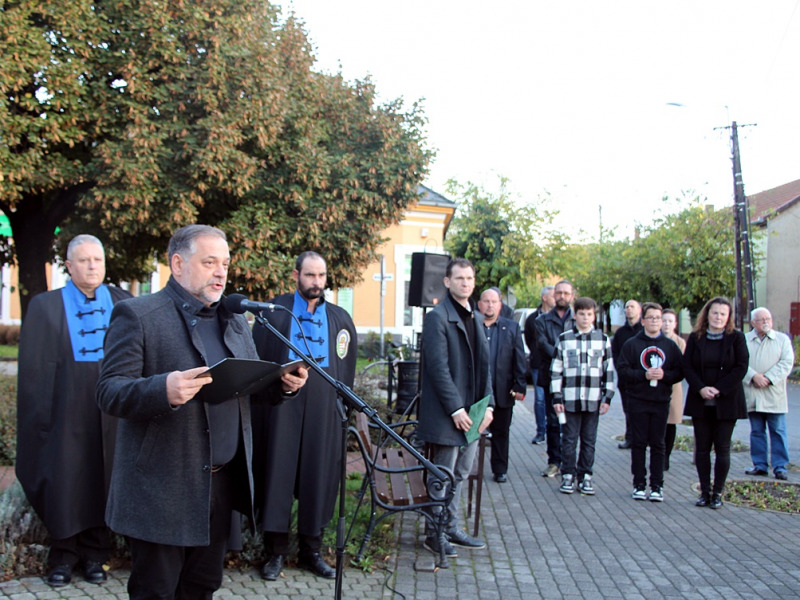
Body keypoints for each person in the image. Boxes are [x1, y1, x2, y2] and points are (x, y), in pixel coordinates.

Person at [96, 225, 307, 599]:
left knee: (202, 588)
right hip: (162, 490)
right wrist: (162, 389)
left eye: (225, 263)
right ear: (178, 264)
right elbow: (109, 392)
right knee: (156, 591)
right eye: (209, 262)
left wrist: (281, 385)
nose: (221, 272)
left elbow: (247, 386)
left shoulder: (235, 320)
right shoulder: (137, 315)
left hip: (221, 485)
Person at [16, 235, 132, 588]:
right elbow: (33, 371)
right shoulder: (45, 306)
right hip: (64, 413)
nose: (93, 266)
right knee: (65, 481)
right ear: (68, 266)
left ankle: (97, 556)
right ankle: (63, 557)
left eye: (98, 260)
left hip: (111, 414)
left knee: (104, 477)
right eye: (84, 260)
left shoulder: (124, 302)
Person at [251, 251, 357, 581]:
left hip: (323, 414)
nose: (316, 282)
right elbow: (258, 363)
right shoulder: (274, 313)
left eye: (321, 276)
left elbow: (347, 369)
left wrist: (341, 409)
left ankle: (311, 550)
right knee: (277, 477)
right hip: (281, 409)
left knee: (318, 477)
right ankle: (275, 553)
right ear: (296, 275)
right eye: (310, 275)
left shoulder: (340, 319)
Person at [417, 257, 493, 556]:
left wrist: (488, 406)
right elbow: (438, 368)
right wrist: (455, 409)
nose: (465, 283)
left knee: (461, 473)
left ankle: (449, 526)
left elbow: (485, 366)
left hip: (474, 412)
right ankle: (433, 533)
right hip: (450, 414)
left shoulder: (473, 315)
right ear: (447, 282)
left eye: (469, 279)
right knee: (442, 474)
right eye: (459, 278)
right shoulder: (438, 316)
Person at [682, 297, 748, 509]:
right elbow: (687, 366)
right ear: (707, 314)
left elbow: (741, 366)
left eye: (723, 314)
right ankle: (704, 492)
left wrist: (719, 389)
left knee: (722, 448)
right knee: (702, 449)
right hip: (700, 400)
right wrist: (701, 388)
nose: (718, 317)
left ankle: (718, 492)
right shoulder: (695, 337)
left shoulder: (736, 338)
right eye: (715, 313)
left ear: (728, 317)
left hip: (727, 400)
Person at [616, 303, 683, 502]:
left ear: (662, 321)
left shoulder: (670, 346)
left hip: (660, 401)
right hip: (637, 400)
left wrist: (665, 375)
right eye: (650, 317)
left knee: (658, 444)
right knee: (638, 444)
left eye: (658, 318)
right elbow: (623, 370)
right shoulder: (631, 344)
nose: (654, 321)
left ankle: (657, 486)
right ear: (643, 320)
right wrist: (642, 375)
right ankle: (638, 484)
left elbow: (680, 371)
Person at [551, 297, 615, 495]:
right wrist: (557, 397)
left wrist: (608, 397)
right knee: (569, 439)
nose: (585, 318)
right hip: (570, 399)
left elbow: (608, 370)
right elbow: (556, 371)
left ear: (594, 316)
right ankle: (568, 475)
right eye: (581, 314)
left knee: (589, 440)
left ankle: (586, 475)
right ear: (575, 315)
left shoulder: (602, 340)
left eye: (589, 314)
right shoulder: (564, 339)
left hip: (593, 400)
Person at [477, 288, 527, 483]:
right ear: (479, 304)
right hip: (477, 391)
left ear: (500, 305)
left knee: (501, 432)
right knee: (473, 431)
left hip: (503, 390)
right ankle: (468, 469)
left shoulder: (511, 328)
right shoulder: (473, 326)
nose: (490, 305)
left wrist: (519, 385)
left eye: (494, 301)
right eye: (486, 301)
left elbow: (519, 358)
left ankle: (499, 469)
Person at [743, 307, 794, 480]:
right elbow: (739, 362)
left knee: (778, 430)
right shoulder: (745, 340)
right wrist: (753, 376)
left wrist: (768, 378)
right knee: (757, 431)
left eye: (768, 319)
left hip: (774, 394)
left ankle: (780, 467)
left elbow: (787, 363)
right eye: (761, 319)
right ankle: (760, 465)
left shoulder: (782, 339)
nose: (765, 322)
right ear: (752, 323)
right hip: (753, 392)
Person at [535, 279, 576, 478]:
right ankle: (554, 461)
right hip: (551, 377)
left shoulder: (578, 320)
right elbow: (542, 344)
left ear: (572, 296)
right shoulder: (541, 320)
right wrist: (563, 358)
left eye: (566, 293)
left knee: (573, 422)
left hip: (575, 380)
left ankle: (571, 463)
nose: (562, 296)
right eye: (558, 293)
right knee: (552, 422)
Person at [524, 285, 555, 444]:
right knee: (540, 399)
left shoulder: (560, 318)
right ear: (544, 298)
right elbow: (530, 340)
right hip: (538, 364)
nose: (556, 298)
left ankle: (555, 432)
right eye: (552, 295)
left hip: (557, 365)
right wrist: (538, 354)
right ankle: (541, 431)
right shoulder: (533, 319)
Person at [611, 299, 643, 449]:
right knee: (628, 409)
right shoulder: (620, 333)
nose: (629, 309)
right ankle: (630, 437)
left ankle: (642, 438)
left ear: (639, 310)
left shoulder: (643, 331)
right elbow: (615, 353)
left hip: (642, 379)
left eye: (632, 307)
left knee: (641, 410)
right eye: (627, 307)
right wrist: (622, 369)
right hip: (625, 379)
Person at [660, 308, 686, 470]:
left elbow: (681, 365)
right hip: (655, 387)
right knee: (658, 424)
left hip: (673, 387)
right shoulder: (656, 339)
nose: (667, 324)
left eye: (670, 321)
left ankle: (666, 456)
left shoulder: (680, 342)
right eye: (664, 320)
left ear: (675, 324)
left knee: (671, 423)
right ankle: (659, 454)